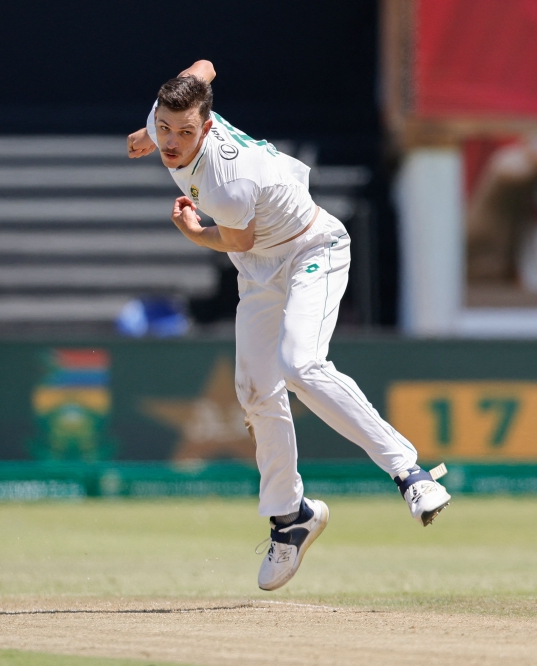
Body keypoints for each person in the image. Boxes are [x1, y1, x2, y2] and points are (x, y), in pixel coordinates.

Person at [126, 60, 451, 591]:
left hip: (310, 250)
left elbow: (237, 241)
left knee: (300, 365)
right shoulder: (170, 115)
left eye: (185, 132)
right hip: (260, 275)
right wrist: (145, 136)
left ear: (208, 129)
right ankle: (291, 517)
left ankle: (409, 473)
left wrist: (193, 230)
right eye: (165, 126)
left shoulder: (227, 183)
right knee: (255, 390)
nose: (172, 141)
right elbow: (203, 69)